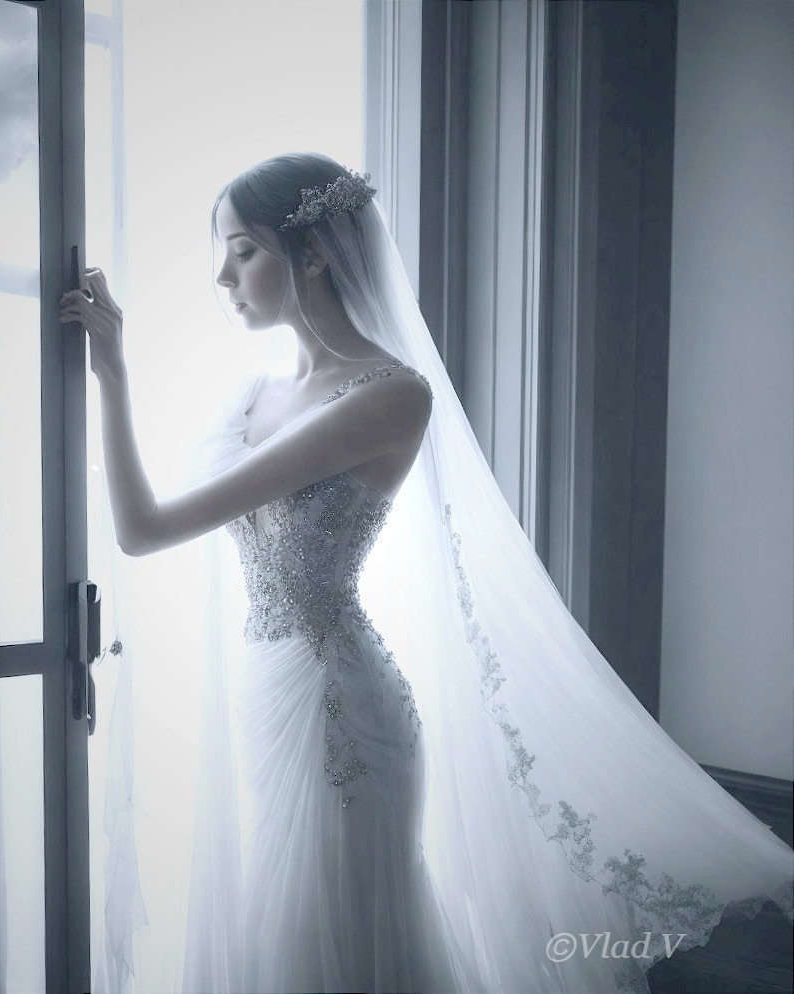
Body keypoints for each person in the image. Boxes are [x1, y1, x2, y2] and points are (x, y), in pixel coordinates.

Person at [62, 153, 793, 994]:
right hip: (270, 695)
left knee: (333, 944)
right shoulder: (251, 398)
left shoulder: (387, 395)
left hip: (340, 709)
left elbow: (143, 530)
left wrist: (112, 375)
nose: (220, 275)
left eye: (242, 250)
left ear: (314, 255)